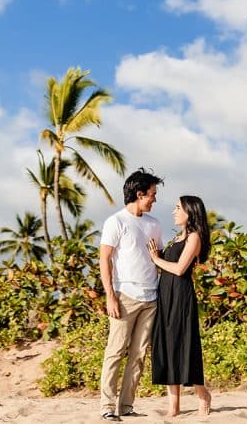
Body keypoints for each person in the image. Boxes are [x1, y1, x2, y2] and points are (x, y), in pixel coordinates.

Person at [98, 168, 164, 422]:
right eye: (152, 194)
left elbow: (157, 258)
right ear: (139, 194)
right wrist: (110, 296)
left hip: (151, 298)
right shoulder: (116, 221)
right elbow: (105, 260)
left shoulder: (154, 224)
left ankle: (126, 406)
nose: (154, 199)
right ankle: (107, 405)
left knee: (139, 354)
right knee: (116, 351)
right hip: (125, 295)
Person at [147, 195, 212, 417]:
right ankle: (173, 407)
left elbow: (179, 269)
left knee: (183, 345)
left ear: (189, 212)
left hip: (181, 296)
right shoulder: (176, 238)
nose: (174, 211)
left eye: (177, 208)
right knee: (166, 346)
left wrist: (156, 259)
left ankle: (202, 393)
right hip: (165, 295)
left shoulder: (194, 237)